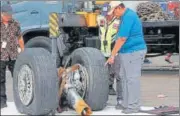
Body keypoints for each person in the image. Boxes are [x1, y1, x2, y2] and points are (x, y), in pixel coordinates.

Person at [105, 1, 147, 114]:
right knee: (124, 77)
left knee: (132, 79)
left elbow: (122, 38)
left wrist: (112, 55)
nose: (114, 15)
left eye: (114, 12)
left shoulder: (128, 16)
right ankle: (126, 103)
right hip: (126, 52)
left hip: (134, 51)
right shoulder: (124, 16)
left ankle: (133, 106)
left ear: (119, 8)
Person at [0, 4, 24, 109]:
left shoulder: (15, 23)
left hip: (14, 56)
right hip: (1, 56)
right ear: (2, 14)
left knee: (18, 78)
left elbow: (20, 38)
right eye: (7, 14)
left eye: (10, 14)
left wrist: (23, 51)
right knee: (1, 80)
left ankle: (20, 101)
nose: (9, 16)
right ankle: (2, 102)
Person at [97, 2, 123, 96]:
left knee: (116, 71)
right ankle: (107, 88)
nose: (106, 17)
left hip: (115, 51)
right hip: (103, 51)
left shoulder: (119, 21)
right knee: (104, 71)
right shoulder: (100, 18)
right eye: (105, 14)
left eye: (108, 14)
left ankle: (118, 93)